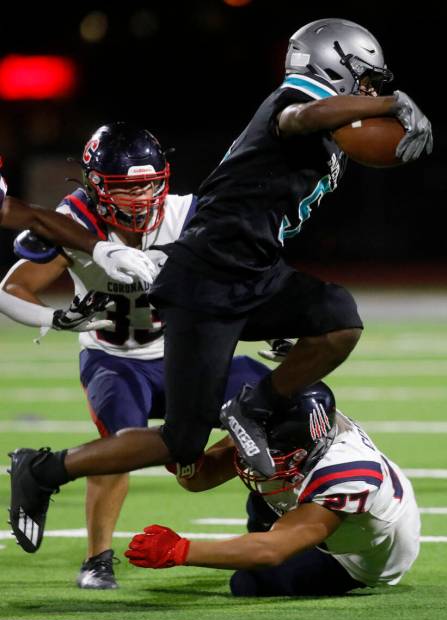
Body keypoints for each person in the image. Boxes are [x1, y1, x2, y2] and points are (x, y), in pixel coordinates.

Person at [8, 18, 432, 554]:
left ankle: (253, 406)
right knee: (182, 441)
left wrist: (381, 113)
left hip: (251, 271)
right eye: (365, 78)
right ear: (334, 64)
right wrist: (388, 105)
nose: (371, 88)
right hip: (209, 274)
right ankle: (42, 469)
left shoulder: (327, 118)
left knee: (337, 320)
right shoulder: (297, 97)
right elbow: (305, 116)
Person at [1, 122, 271, 588]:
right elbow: (12, 288)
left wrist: (273, 321)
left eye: (149, 183)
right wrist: (54, 319)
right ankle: (97, 558)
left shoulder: (188, 214)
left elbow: (244, 272)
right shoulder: (76, 224)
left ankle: (263, 522)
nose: (142, 196)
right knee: (116, 447)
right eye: (128, 187)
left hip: (185, 353)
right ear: (98, 187)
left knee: (271, 405)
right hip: (115, 359)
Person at [125, 382, 421, 597]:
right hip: (317, 491)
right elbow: (200, 479)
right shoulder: (298, 430)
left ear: (299, 452)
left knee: (248, 583)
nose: (246, 457)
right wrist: (183, 458)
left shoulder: (346, 474)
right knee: (265, 487)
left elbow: (271, 550)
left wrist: (181, 551)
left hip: (361, 554)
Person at [0, 162, 155, 288]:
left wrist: (98, 248)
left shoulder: (175, 211)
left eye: (145, 183)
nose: (137, 193)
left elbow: (26, 214)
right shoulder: (81, 215)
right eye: (123, 185)